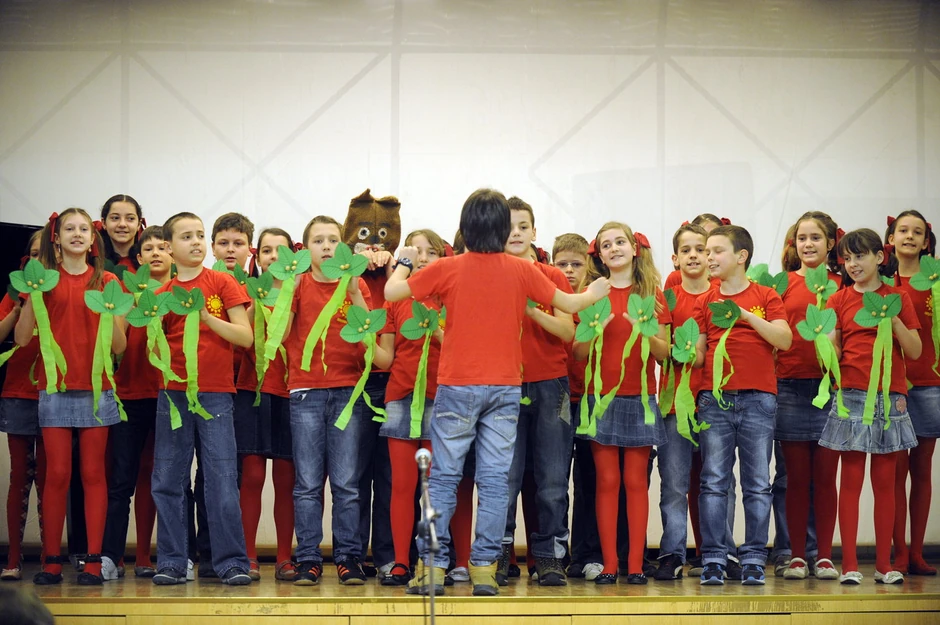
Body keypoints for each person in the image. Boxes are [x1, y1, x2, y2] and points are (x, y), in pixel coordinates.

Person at [386, 188, 610, 596]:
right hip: (505, 389)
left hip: (456, 388)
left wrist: (402, 262)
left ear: (467, 226)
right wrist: (596, 292)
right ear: (503, 228)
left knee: (443, 479)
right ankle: (485, 569)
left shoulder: (448, 268)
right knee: (494, 481)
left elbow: (391, 293)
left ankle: (433, 567)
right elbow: (571, 304)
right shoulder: (522, 270)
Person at [14, 209, 126, 586]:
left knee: (94, 474)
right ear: (56, 238)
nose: (77, 234)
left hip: (97, 391)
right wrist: (32, 296)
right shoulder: (44, 281)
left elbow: (121, 344)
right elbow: (22, 337)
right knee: (57, 474)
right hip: (55, 389)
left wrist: (111, 315)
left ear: (93, 239)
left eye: (83, 229)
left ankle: (93, 562)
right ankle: (51, 560)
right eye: (68, 229)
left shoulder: (108, 280)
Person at [150, 212, 253, 586]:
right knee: (168, 480)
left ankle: (231, 562)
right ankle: (174, 562)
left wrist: (207, 319)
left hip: (216, 395)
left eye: (199, 235)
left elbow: (245, 337)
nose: (195, 242)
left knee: (222, 479)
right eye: (186, 237)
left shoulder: (222, 283)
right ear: (169, 248)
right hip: (173, 396)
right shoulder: (160, 296)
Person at [820, 228, 921, 585]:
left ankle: (883, 564)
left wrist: (892, 318)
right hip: (851, 396)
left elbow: (915, 350)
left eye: (860, 256)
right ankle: (849, 564)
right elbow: (830, 355)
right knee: (850, 480)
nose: (852, 264)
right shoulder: (838, 300)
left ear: (880, 257)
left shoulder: (898, 297)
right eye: (847, 258)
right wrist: (826, 337)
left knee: (885, 482)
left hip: (889, 397)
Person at [693, 224, 792, 586]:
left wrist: (747, 316)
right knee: (714, 482)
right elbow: (701, 349)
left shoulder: (766, 295)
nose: (708, 258)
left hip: (758, 400)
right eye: (706, 251)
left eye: (716, 251)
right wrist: (687, 351)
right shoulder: (705, 300)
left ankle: (753, 556)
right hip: (715, 399)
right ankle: (715, 557)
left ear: (741, 257)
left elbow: (784, 338)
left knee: (756, 483)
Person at [375, 229, 472, 586]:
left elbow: (465, 350)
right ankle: (401, 561)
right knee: (402, 484)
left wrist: (439, 332)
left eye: (430, 251)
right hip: (401, 398)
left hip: (446, 399)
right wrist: (360, 339)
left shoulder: (452, 297)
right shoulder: (396, 301)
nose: (423, 257)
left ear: (443, 258)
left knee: (442, 484)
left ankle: (445, 561)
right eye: (415, 251)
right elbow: (385, 357)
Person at [573, 222, 669, 585]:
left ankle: (635, 565)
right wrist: (593, 331)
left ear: (633, 249)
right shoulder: (592, 293)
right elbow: (579, 353)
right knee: (607, 481)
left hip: (639, 400)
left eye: (620, 242)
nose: (613, 248)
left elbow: (663, 355)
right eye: (606, 244)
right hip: (601, 402)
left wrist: (645, 332)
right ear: (599, 253)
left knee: (634, 481)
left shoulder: (652, 295)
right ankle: (610, 564)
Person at [284, 216, 373, 586]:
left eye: (333, 240)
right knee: (306, 482)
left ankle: (349, 557)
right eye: (317, 240)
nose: (326, 246)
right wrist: (285, 292)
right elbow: (282, 334)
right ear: (305, 250)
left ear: (344, 248)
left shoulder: (357, 285)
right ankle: (308, 558)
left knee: (347, 483)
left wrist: (353, 292)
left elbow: (371, 338)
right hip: (305, 391)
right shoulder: (298, 284)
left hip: (348, 392)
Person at [499, 196, 575, 587]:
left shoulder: (553, 276)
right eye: (509, 226)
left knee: (551, 477)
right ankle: (499, 553)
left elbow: (568, 331)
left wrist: (531, 309)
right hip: (503, 385)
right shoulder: (491, 275)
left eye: (523, 226)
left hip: (551, 385)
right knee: (503, 477)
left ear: (534, 232)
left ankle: (548, 556)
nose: (516, 233)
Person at [773, 211, 843, 580]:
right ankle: (796, 554)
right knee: (794, 478)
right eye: (802, 238)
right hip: (788, 387)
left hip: (830, 391)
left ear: (831, 243)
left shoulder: (842, 284)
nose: (808, 244)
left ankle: (825, 554)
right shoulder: (781, 284)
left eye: (816, 237)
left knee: (825, 478)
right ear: (794, 243)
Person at [100, 227, 172, 581]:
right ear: (138, 258)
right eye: (149, 248)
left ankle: (146, 555)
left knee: (156, 479)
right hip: (128, 396)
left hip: (167, 397)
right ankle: (111, 557)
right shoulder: (124, 295)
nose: (156, 253)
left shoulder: (181, 293)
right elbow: (119, 346)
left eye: (163, 247)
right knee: (121, 480)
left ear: (173, 253)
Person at [233, 227, 297, 582]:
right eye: (267, 250)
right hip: (251, 390)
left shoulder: (300, 293)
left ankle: (285, 557)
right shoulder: (244, 292)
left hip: (291, 394)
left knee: (287, 480)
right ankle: (249, 556)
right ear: (257, 256)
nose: (274, 257)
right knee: (253, 476)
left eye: (281, 251)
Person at [654, 223, 713, 581]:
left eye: (700, 249)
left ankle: (716, 551)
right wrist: (675, 348)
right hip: (674, 402)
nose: (693, 255)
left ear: (710, 255)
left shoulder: (722, 296)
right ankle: (673, 552)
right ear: (675, 258)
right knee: (674, 483)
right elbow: (662, 354)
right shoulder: (666, 299)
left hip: (714, 401)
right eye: (686, 250)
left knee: (715, 480)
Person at [885, 210, 939, 576]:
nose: (909, 236)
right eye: (902, 230)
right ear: (890, 239)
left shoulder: (935, 281)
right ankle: (899, 552)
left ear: (926, 242)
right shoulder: (878, 280)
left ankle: (918, 553)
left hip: (929, 384)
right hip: (889, 385)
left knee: (921, 471)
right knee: (893, 472)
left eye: (916, 232)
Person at [0, 232, 44, 581]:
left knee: (50, 477)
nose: (38, 260)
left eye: (45, 254)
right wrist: (17, 308)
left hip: (56, 392)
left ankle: (50, 557)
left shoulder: (66, 291)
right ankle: (14, 557)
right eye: (32, 254)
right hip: (18, 392)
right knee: (20, 476)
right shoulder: (16, 294)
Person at [100, 194, 143, 269]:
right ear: (104, 223)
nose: (122, 224)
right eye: (115, 218)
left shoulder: (148, 261)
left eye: (130, 218)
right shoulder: (93, 261)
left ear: (139, 224)